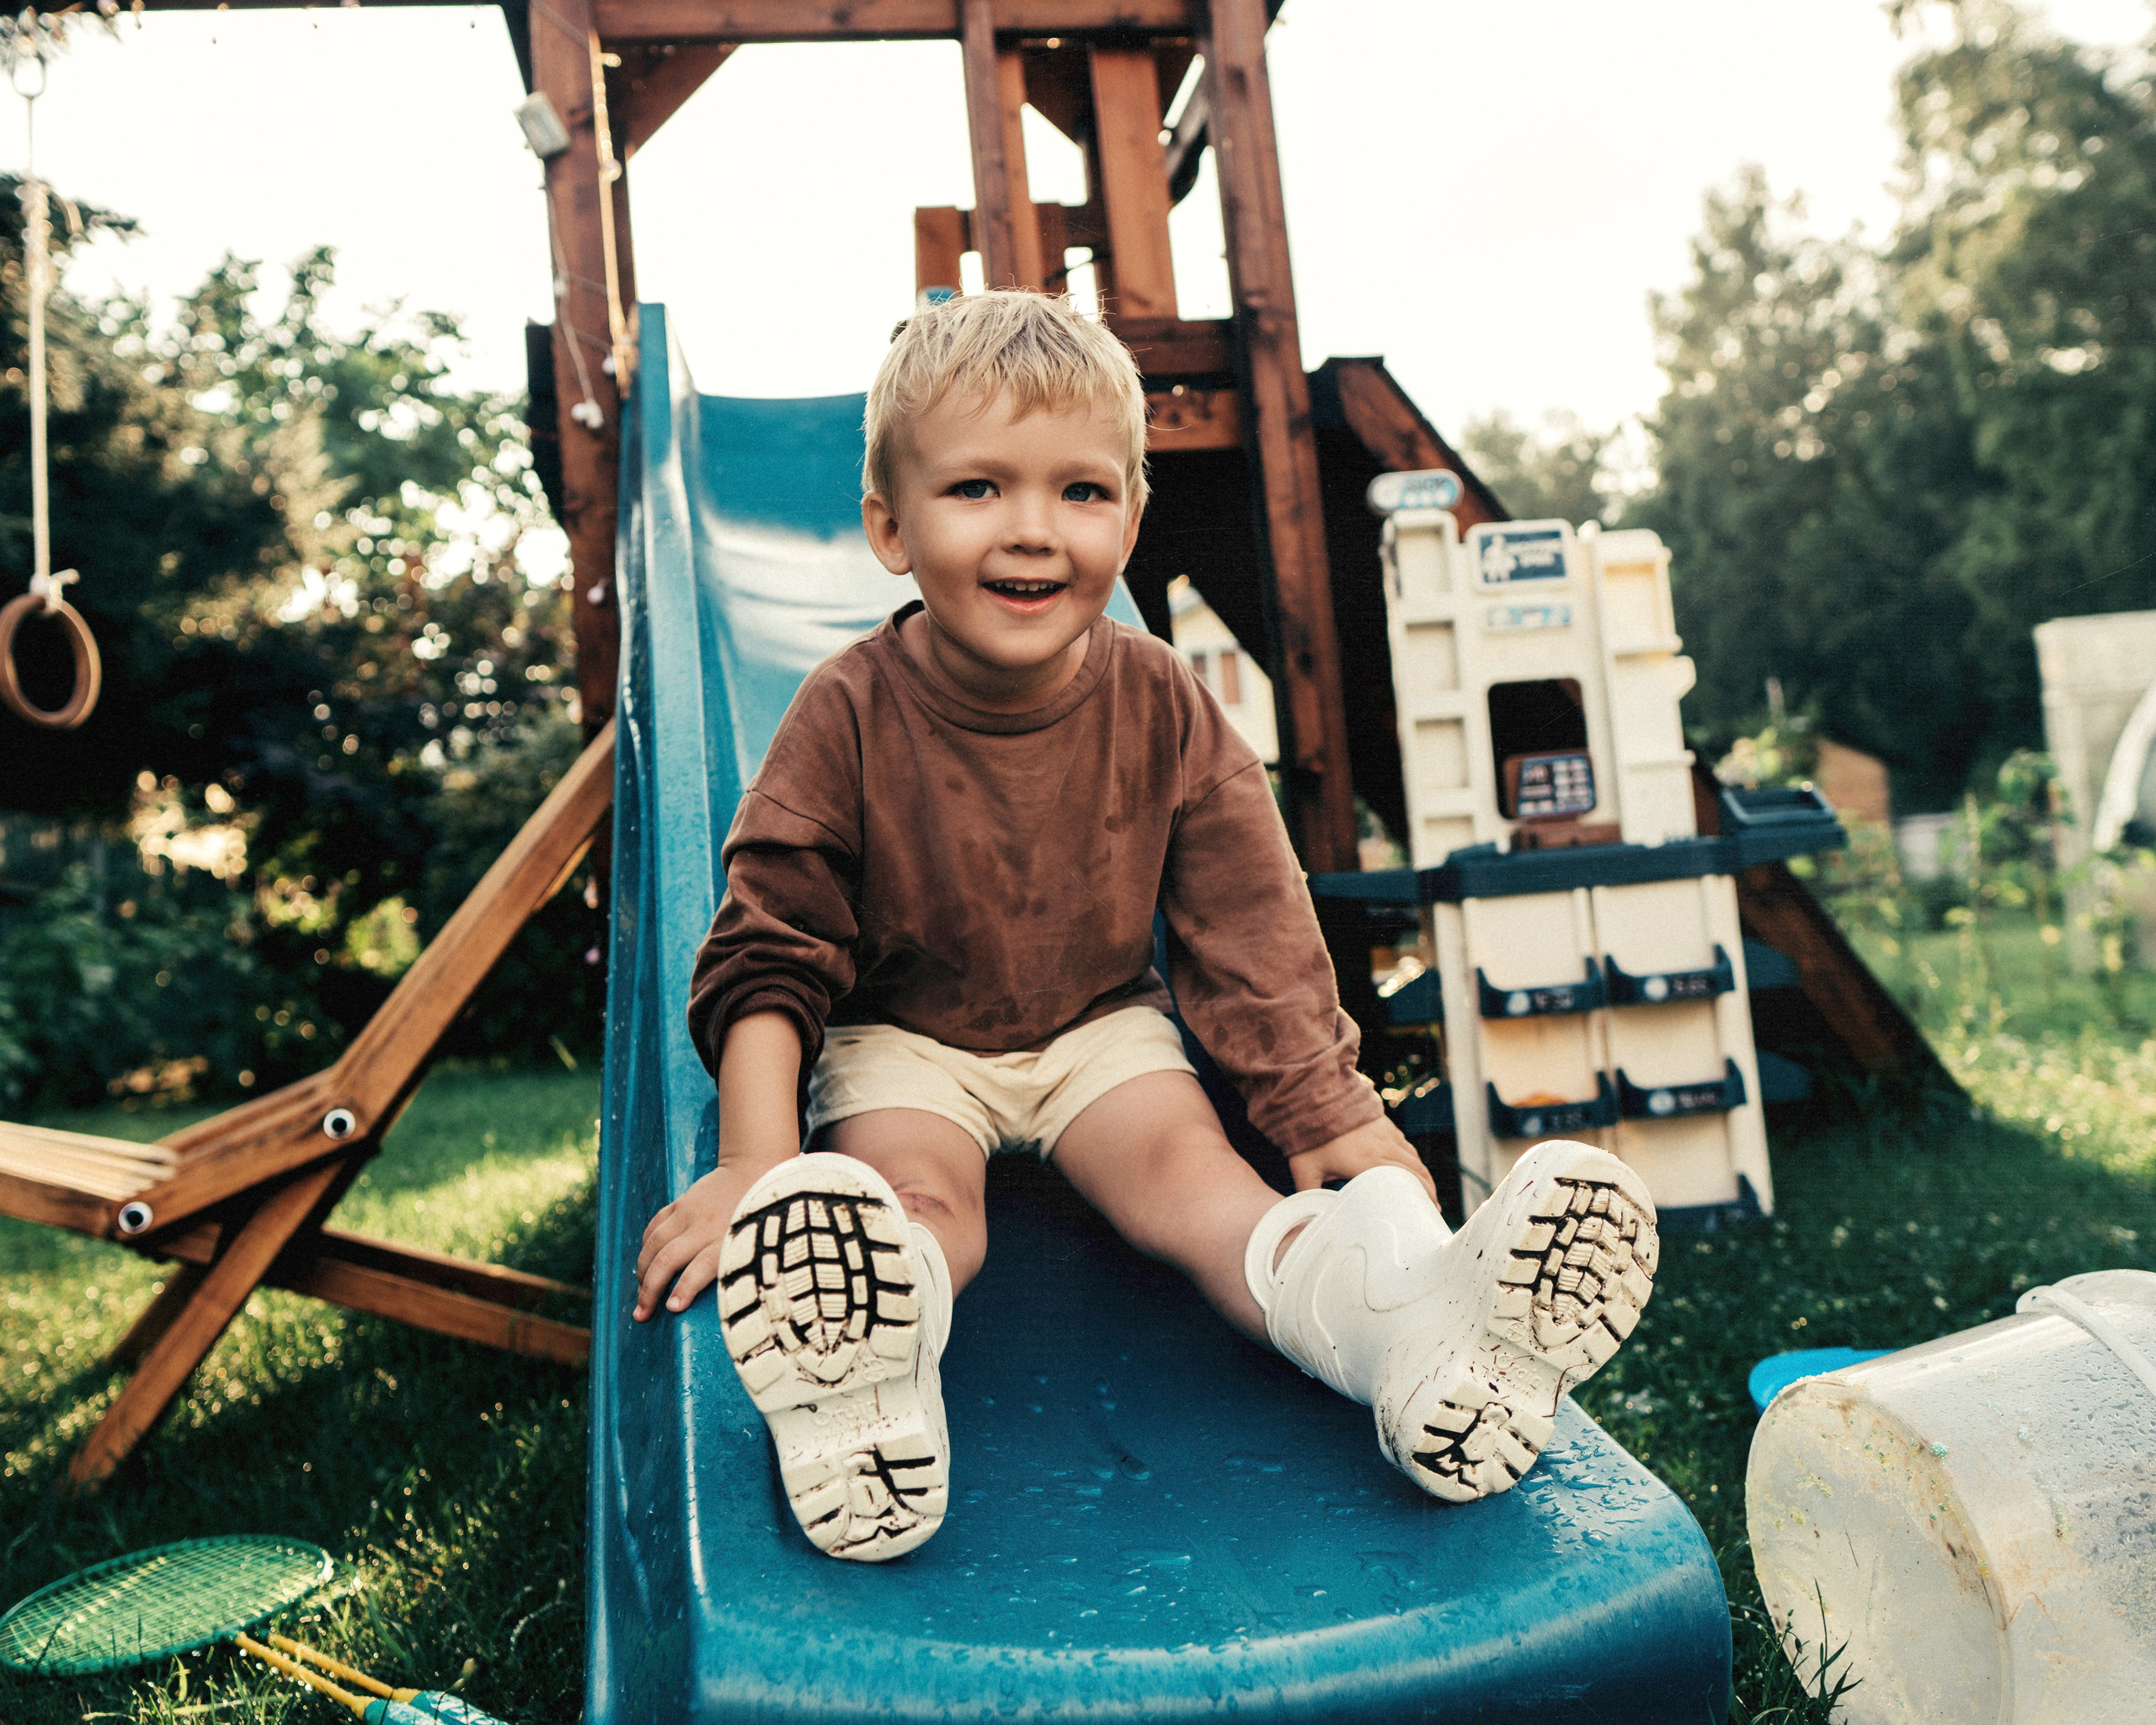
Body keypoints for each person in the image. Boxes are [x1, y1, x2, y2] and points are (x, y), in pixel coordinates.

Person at [632, 291, 1658, 1562]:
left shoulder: (1162, 698)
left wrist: (1328, 1112)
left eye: (1082, 492)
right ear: (888, 530)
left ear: (1129, 513)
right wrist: (755, 1164)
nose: (1032, 532)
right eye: (975, 492)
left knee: (1205, 1197)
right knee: (925, 1208)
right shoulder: (844, 712)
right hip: (906, 1042)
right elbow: (773, 945)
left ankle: (1410, 1340)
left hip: (1100, 1032)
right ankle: (861, 1382)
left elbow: (1250, 921)